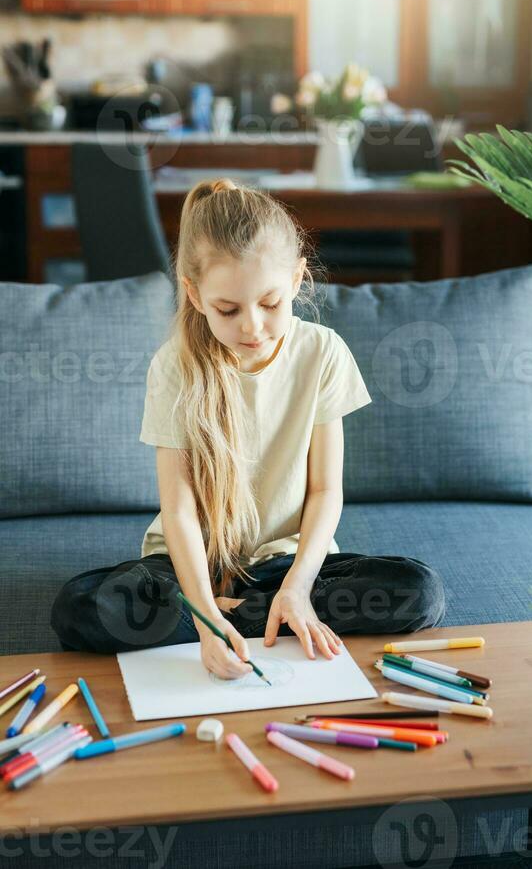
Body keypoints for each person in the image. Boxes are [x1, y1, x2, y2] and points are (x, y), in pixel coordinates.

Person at [51, 179, 445, 679]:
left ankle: (269, 609)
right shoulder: (176, 366)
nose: (252, 328)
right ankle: (235, 616)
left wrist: (299, 586)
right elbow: (178, 509)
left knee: (419, 591)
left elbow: (325, 491)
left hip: (285, 565)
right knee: (78, 608)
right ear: (194, 295)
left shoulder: (322, 353)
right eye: (228, 310)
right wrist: (203, 614)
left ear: (299, 279)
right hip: (192, 569)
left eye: (270, 303)